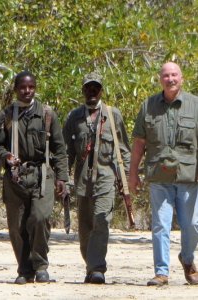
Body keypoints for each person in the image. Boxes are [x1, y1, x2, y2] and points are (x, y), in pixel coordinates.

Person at [0, 71, 68, 284]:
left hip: (42, 175)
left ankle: (41, 265)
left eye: (31, 87)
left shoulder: (47, 114)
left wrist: (63, 178)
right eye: (23, 87)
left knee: (40, 218)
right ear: (16, 89)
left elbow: (60, 149)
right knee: (17, 226)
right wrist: (6, 156)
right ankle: (24, 269)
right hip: (15, 178)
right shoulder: (6, 115)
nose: (27, 91)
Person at [129, 62, 198, 286]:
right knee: (161, 224)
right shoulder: (148, 106)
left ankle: (187, 260)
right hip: (159, 175)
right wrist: (133, 174)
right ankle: (161, 272)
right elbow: (139, 143)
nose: (170, 79)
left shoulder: (195, 105)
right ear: (160, 79)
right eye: (166, 75)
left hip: (189, 176)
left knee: (193, 225)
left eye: (174, 75)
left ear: (182, 78)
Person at [63, 72, 130, 284]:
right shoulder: (74, 117)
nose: (92, 92)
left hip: (106, 179)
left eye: (96, 88)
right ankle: (90, 265)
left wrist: (126, 178)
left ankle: (97, 267)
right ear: (83, 91)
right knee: (85, 226)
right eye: (88, 88)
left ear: (101, 91)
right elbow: (66, 153)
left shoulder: (113, 115)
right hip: (82, 180)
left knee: (102, 220)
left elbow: (124, 150)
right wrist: (63, 179)